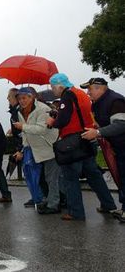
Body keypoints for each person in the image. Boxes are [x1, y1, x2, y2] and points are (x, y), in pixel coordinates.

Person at [46, 73, 117, 221]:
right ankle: (108, 204)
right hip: (86, 137)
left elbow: (63, 120)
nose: (53, 90)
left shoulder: (67, 95)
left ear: (60, 85)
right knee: (93, 175)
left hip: (73, 142)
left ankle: (76, 212)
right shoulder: (81, 94)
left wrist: (53, 121)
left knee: (70, 177)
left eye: (53, 87)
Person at [80, 77, 125, 222]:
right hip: (117, 146)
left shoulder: (115, 101)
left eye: (90, 89)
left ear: (100, 88)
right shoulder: (97, 104)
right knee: (121, 177)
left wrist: (98, 133)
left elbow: (121, 125)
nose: (88, 93)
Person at [13, 87, 61, 214]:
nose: (21, 101)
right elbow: (25, 134)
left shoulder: (43, 109)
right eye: (19, 98)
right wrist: (23, 149)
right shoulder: (20, 111)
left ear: (31, 97)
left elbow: (42, 129)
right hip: (35, 148)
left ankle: (54, 204)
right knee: (42, 177)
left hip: (49, 146)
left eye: (24, 98)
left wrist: (23, 126)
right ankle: (48, 200)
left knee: (52, 178)